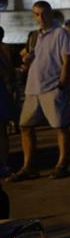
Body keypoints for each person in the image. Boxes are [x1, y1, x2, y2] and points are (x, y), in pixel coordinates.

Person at [8, 1, 70, 181]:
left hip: (52, 86)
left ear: (51, 14)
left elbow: (67, 60)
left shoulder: (61, 33)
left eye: (44, 13)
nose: (41, 17)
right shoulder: (34, 36)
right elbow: (30, 60)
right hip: (33, 88)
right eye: (37, 14)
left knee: (60, 126)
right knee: (25, 126)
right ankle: (29, 166)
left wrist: (62, 84)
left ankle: (62, 164)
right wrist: (26, 60)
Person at [0, 27, 15, 177]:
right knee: (2, 131)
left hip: (2, 90)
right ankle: (4, 164)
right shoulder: (6, 48)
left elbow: (7, 70)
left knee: (2, 130)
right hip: (3, 90)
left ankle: (4, 164)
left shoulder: (4, 49)